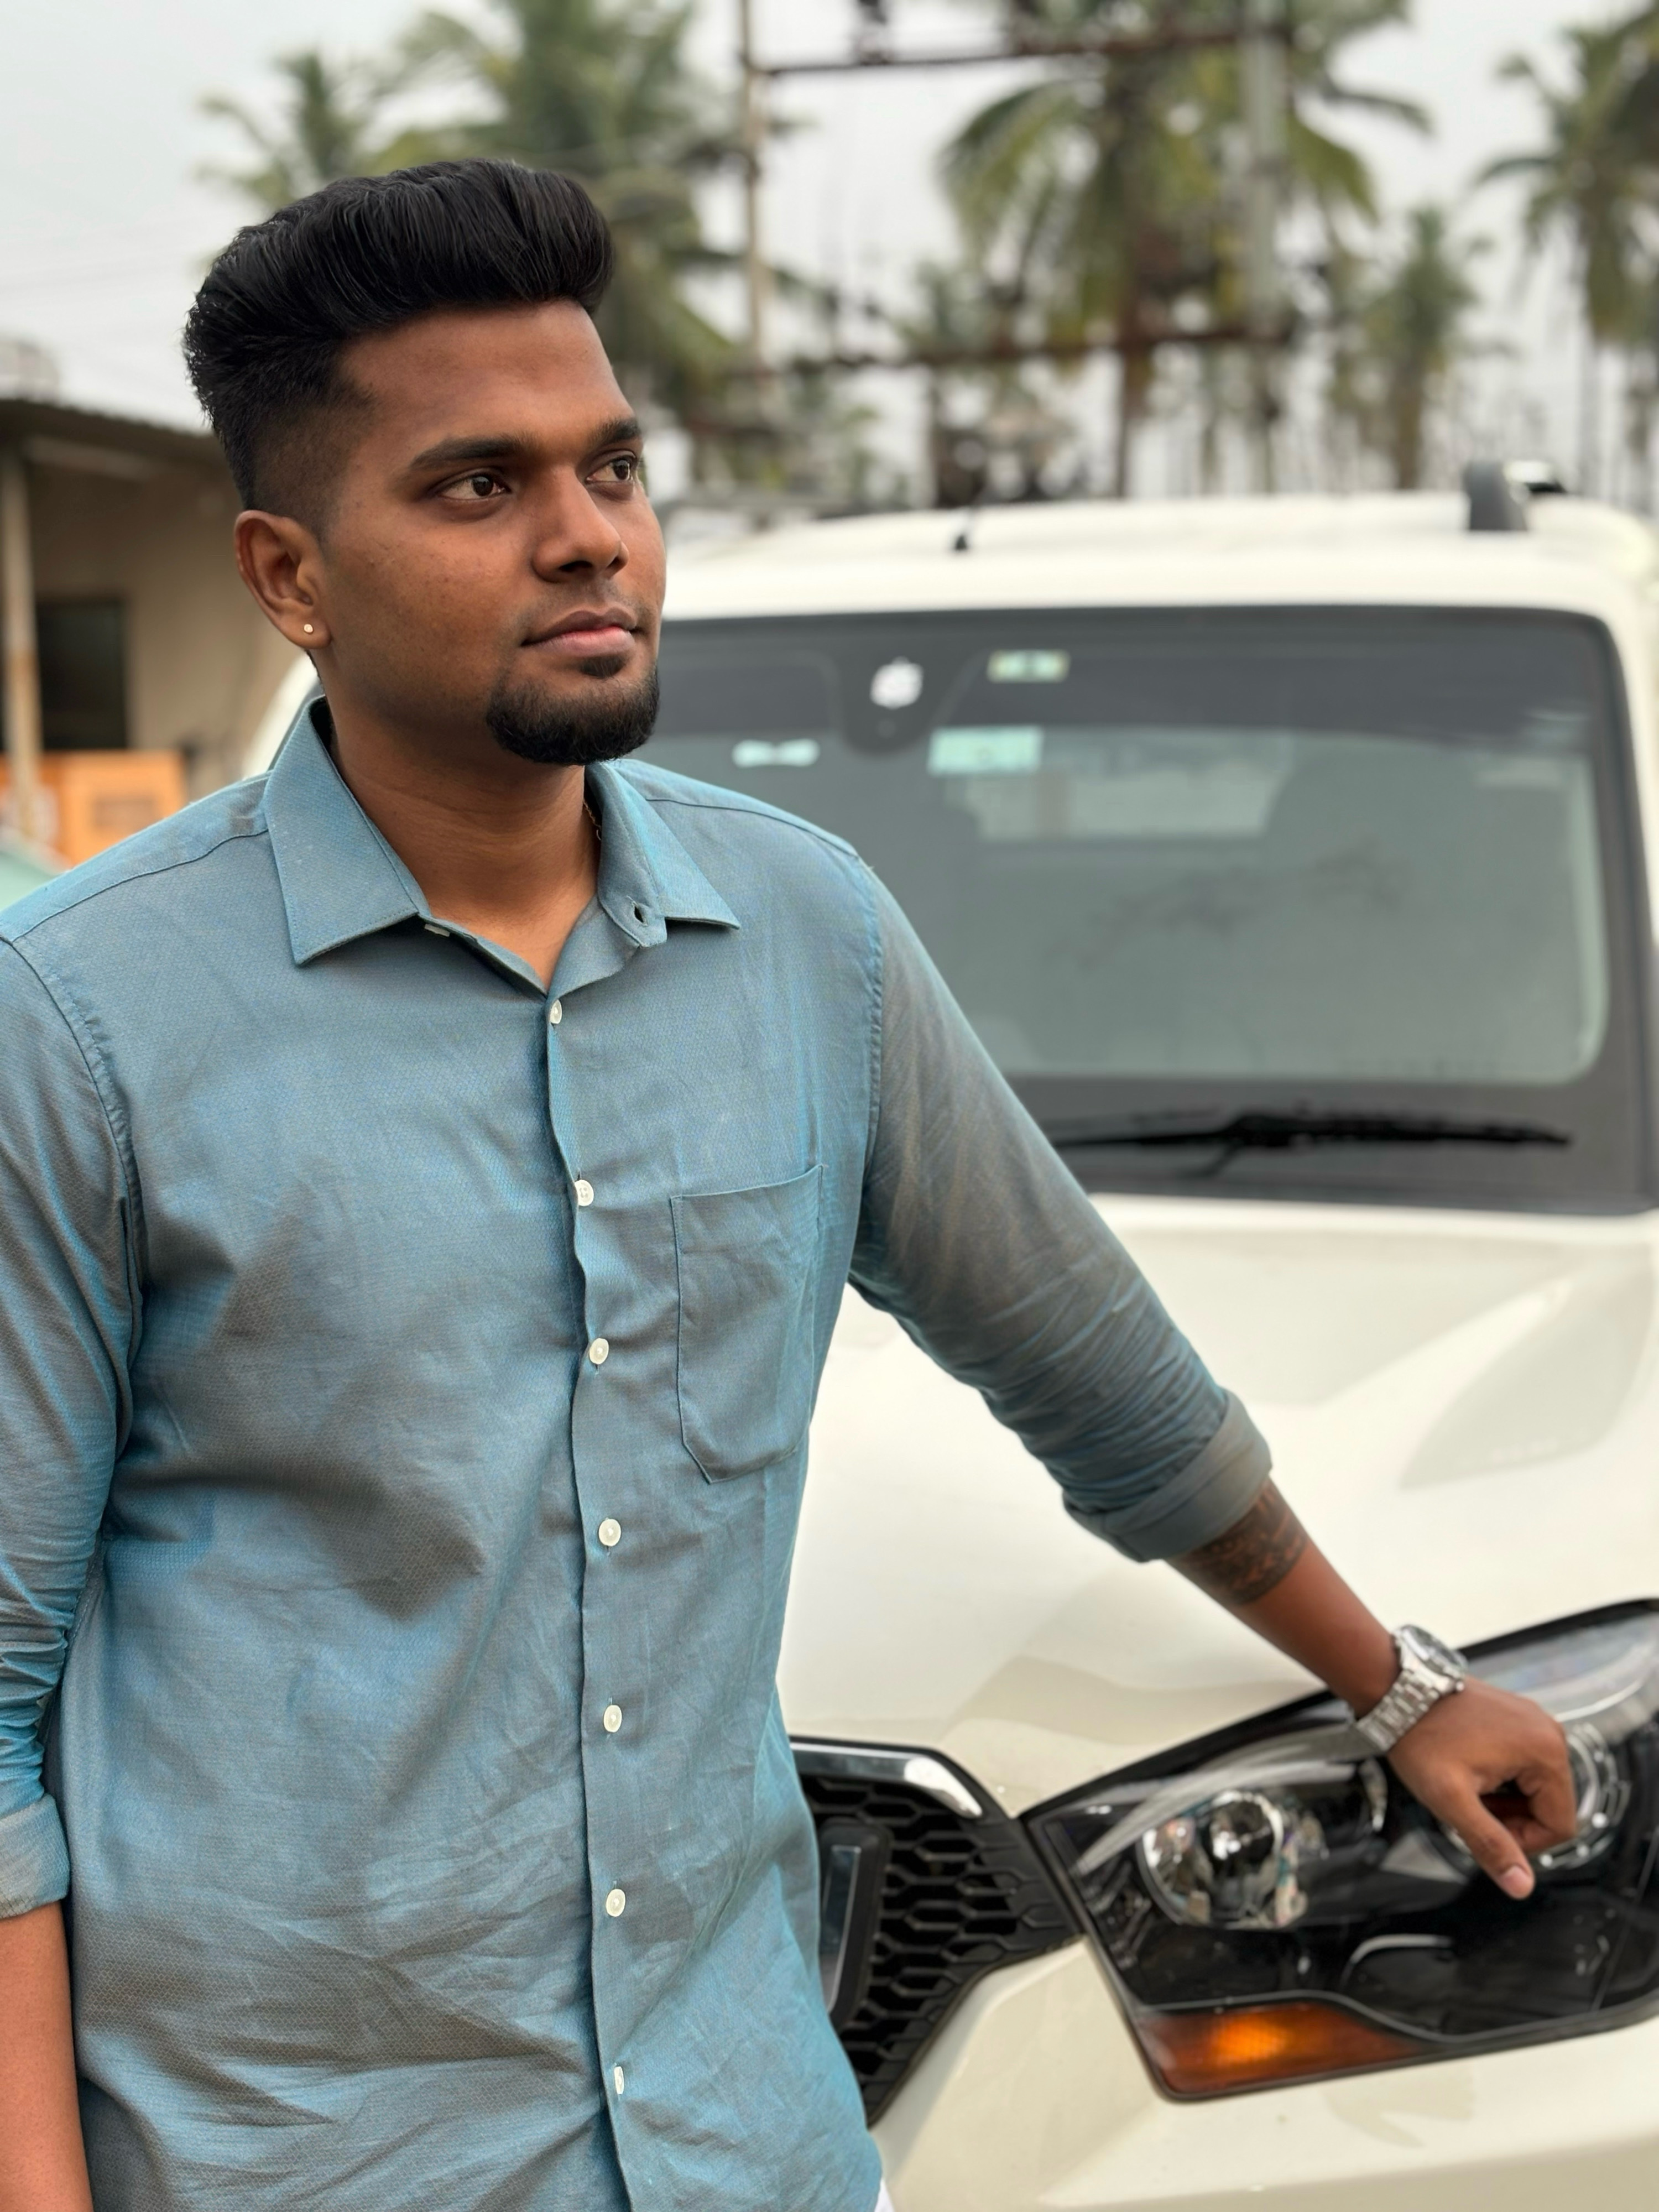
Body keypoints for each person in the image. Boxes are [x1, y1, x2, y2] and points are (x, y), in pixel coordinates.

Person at [0, 162, 1574, 2212]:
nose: (589, 535)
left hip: (744, 2140)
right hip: (299, 2163)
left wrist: (1401, 1682)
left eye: (614, 467)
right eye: (477, 486)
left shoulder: (806, 939)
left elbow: (1097, 1376)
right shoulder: (81, 1020)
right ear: (289, 577)